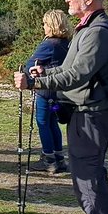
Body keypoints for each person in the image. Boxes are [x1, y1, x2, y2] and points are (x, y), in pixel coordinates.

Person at [14, 0, 108, 214]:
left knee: (88, 174)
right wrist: (46, 72)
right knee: (88, 172)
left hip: (91, 114)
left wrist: (35, 83)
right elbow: (69, 68)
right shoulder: (88, 28)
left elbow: (78, 75)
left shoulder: (97, 32)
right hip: (85, 112)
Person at [26, 9, 72, 175]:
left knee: (43, 123)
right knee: (52, 123)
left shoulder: (49, 44)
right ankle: (59, 158)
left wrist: (31, 74)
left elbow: (29, 65)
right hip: (60, 93)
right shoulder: (68, 43)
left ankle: (49, 160)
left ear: (52, 25)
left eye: (45, 23)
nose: (43, 26)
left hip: (46, 92)